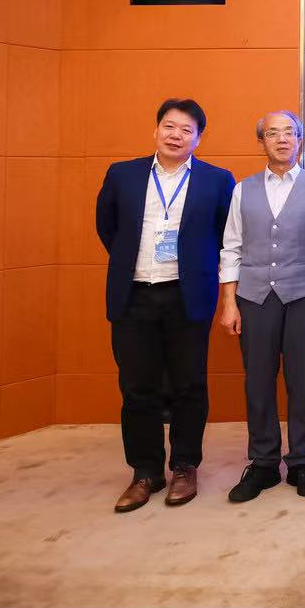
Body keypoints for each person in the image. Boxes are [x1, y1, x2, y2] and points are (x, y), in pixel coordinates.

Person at [95, 98, 235, 513]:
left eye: (186, 130)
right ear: (156, 130)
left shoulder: (217, 180)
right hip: (134, 293)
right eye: (170, 127)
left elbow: (225, 234)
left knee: (189, 384)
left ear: (198, 138)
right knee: (137, 386)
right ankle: (145, 472)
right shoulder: (122, 174)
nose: (176, 135)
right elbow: (107, 227)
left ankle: (185, 466)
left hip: (186, 294)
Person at [216, 110, 305, 503]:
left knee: (302, 381)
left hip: (303, 293)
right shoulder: (242, 189)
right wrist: (229, 302)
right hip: (253, 295)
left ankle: (301, 460)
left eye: (289, 132)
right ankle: (264, 463)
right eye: (272, 133)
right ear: (262, 142)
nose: (282, 139)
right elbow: (231, 247)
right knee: (258, 380)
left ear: (300, 140)